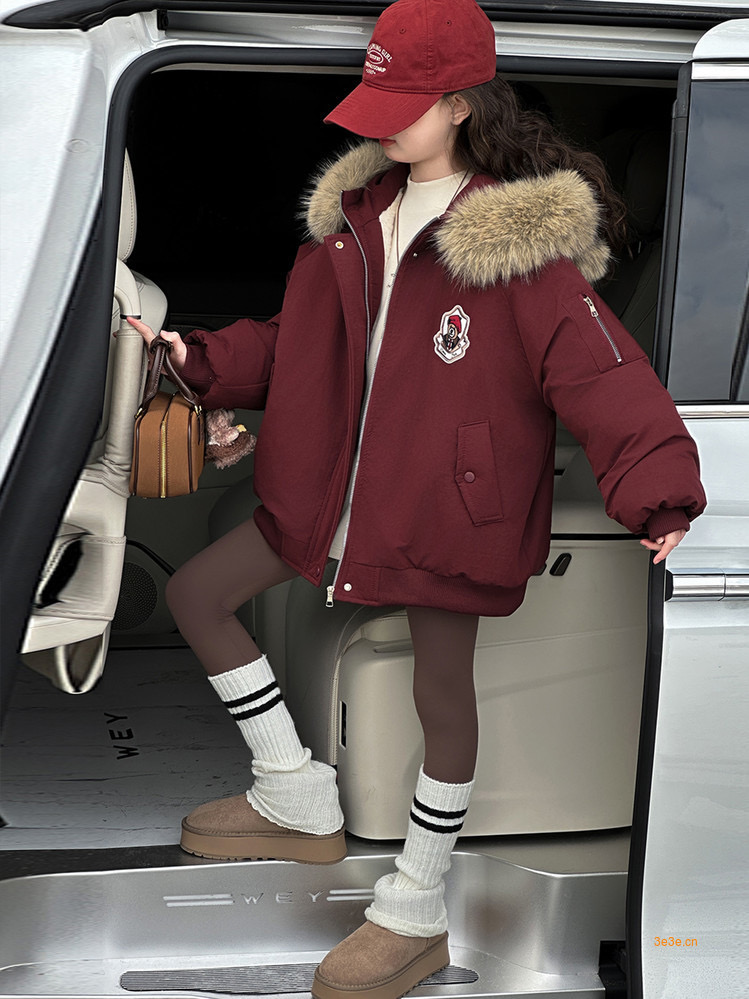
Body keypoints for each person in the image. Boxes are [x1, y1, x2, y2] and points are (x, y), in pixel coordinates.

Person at [128, 1, 706, 996]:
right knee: (196, 593)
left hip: (447, 509)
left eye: (404, 104)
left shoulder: (518, 251)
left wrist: (657, 494)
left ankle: (415, 904)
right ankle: (293, 790)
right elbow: (296, 343)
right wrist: (199, 360)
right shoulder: (353, 221)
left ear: (460, 104)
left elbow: (602, 376)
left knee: (441, 694)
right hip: (330, 492)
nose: (381, 125)